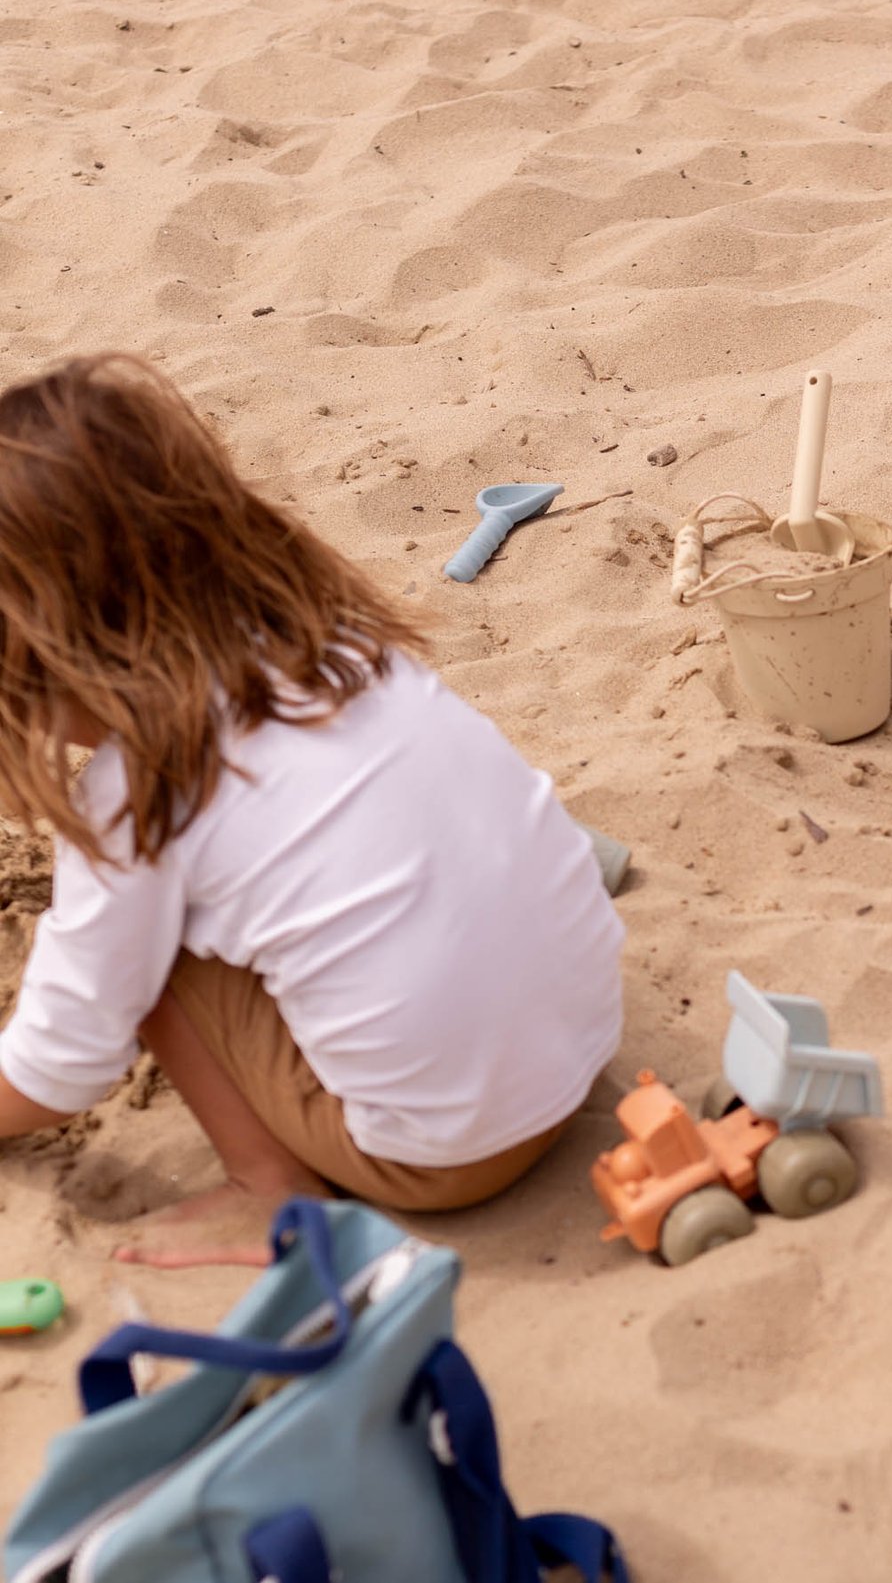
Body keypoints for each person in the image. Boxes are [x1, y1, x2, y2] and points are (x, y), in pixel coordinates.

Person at [0, 354, 623, 1268]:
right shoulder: (337, 642)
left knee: (149, 952)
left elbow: (63, 1063)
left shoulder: (140, 795)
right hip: (586, 1039)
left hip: (444, 1156)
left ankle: (268, 1190)